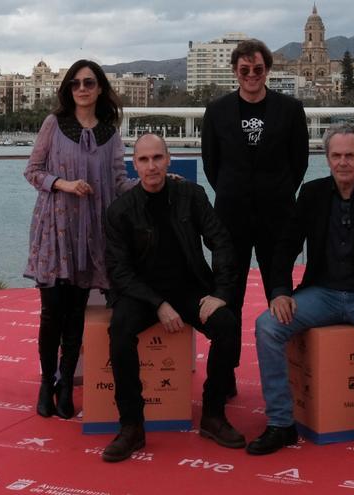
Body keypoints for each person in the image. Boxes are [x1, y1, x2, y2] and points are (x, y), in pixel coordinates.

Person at [248, 123, 354, 458]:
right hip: (321, 294)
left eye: (350, 155)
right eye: (336, 155)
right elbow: (285, 246)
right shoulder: (311, 194)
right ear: (327, 158)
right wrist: (280, 291)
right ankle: (281, 424)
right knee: (267, 326)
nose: (343, 162)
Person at [100, 134, 244, 462]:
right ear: (134, 165)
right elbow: (118, 271)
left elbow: (221, 242)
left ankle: (213, 415)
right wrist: (158, 304)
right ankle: (132, 427)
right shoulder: (120, 210)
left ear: (168, 160)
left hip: (189, 287)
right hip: (142, 294)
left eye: (157, 158)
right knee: (120, 331)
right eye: (144, 160)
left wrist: (220, 294)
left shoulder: (191, 195)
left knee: (227, 324)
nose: (151, 166)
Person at [24, 59, 137, 420]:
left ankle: (63, 387)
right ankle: (46, 382)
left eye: (89, 82)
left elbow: (119, 182)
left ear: (100, 87)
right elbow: (33, 171)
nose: (82, 88)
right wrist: (64, 184)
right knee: (51, 313)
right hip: (55, 230)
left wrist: (154, 182)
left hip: (92, 232)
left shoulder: (110, 133)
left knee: (75, 315)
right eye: (75, 84)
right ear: (68, 90)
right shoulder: (54, 124)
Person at [201, 39, 309, 394]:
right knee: (228, 296)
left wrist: (274, 191)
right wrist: (235, 191)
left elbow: (299, 163)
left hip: (277, 216)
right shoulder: (216, 112)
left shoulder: (290, 110)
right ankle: (224, 375)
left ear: (267, 71)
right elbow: (212, 165)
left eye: (258, 69)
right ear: (236, 72)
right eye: (244, 70)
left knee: (279, 293)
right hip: (230, 218)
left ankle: (292, 374)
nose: (251, 75)